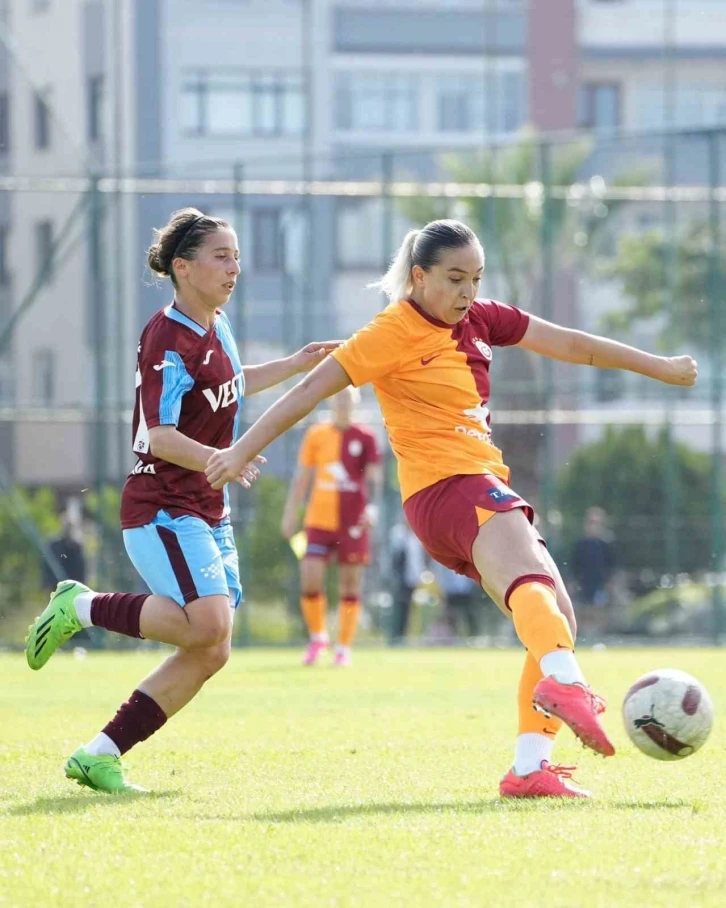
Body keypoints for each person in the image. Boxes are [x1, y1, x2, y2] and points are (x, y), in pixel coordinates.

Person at [206, 218, 698, 799]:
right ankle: (567, 685)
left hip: (462, 490)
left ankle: (529, 768)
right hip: (450, 485)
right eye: (455, 278)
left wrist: (659, 367)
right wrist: (240, 450)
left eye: (476, 279)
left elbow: (573, 344)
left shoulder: (484, 318)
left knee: (553, 616)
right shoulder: (391, 331)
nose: (469, 292)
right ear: (419, 276)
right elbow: (308, 391)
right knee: (540, 592)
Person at [25, 207, 338, 793]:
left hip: (204, 506)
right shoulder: (165, 337)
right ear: (183, 267)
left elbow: (231, 380)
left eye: (237, 255)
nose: (234, 267)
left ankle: (100, 753)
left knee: (212, 648)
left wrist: (294, 366)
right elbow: (159, 435)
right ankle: (82, 607)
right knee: (209, 625)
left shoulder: (217, 323)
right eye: (222, 256)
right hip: (162, 506)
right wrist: (228, 458)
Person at [281, 387, 381, 667]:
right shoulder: (316, 434)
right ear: (331, 401)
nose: (343, 404)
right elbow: (302, 476)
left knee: (350, 585)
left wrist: (371, 509)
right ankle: (318, 637)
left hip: (353, 521)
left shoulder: (366, 437)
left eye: (348, 399)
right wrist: (290, 513)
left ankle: (344, 647)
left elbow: (373, 479)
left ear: (356, 403)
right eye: (338, 399)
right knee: (310, 576)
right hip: (318, 520)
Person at [572, 507, 617, 636]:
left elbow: (612, 565)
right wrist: (573, 582)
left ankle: (598, 636)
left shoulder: (606, 545)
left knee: (599, 610)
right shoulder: (580, 544)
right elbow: (575, 565)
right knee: (582, 610)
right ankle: (581, 637)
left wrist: (610, 583)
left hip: (600, 584)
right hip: (583, 583)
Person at [388, 517, 428, 645]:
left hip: (414, 579)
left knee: (410, 610)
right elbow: (395, 556)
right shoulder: (398, 534)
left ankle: (406, 636)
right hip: (401, 579)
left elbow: (420, 559)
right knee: (399, 609)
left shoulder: (416, 537)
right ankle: (395, 637)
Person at [433, 562, 482, 641]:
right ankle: (452, 639)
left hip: (466, 592)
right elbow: (440, 575)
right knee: (451, 618)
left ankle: (473, 638)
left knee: (469, 616)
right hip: (451, 593)